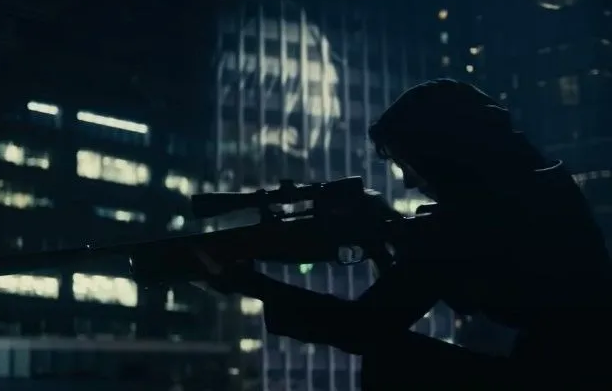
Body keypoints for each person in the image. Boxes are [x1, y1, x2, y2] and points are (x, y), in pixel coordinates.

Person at [194, 79, 612, 387]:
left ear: (440, 153)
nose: (411, 181)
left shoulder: (473, 217)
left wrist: (252, 284)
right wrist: (390, 232)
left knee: (390, 356)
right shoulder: (541, 184)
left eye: (408, 164)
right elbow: (468, 276)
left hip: (559, 377)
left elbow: (362, 327)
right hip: (574, 370)